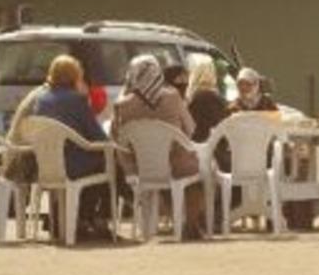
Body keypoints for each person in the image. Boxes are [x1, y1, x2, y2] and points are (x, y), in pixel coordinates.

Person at [111, 55, 205, 239]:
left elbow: (117, 139)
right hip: (176, 166)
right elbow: (191, 129)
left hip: (140, 168)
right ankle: (191, 223)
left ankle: (156, 222)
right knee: (198, 176)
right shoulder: (173, 97)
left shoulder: (122, 105)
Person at [32, 55, 111, 239]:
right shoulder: (77, 100)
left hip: (46, 164)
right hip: (73, 164)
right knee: (106, 163)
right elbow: (98, 136)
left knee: (94, 162)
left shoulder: (41, 99)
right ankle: (94, 219)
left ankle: (70, 218)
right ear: (75, 75)